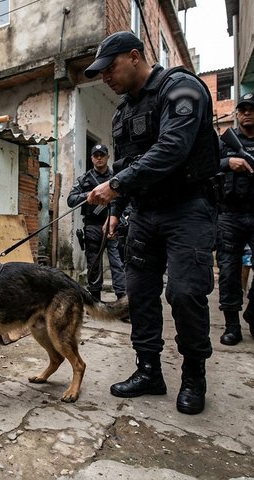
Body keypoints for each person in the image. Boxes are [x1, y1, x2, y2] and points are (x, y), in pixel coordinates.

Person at [85, 31, 219, 415]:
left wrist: (115, 186)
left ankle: (193, 377)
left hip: (187, 209)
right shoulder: (122, 113)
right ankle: (148, 371)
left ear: (134, 56)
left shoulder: (180, 88)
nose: (106, 78)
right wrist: (115, 210)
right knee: (139, 293)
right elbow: (125, 166)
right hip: (144, 213)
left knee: (185, 292)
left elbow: (172, 148)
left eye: (110, 68)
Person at [216, 92, 254, 344]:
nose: (247, 113)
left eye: (251, 109)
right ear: (237, 114)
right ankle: (232, 327)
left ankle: (252, 313)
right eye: (242, 110)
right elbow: (208, 165)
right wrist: (228, 162)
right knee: (229, 272)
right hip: (230, 214)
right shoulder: (227, 142)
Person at [67, 144, 127, 302]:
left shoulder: (116, 179)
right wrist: (89, 195)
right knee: (93, 264)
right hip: (93, 226)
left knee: (118, 263)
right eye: (96, 155)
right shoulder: (84, 179)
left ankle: (122, 299)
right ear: (92, 158)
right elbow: (71, 200)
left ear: (107, 157)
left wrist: (123, 217)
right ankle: (95, 300)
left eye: (102, 155)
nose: (99, 158)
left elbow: (128, 199)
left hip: (113, 226)